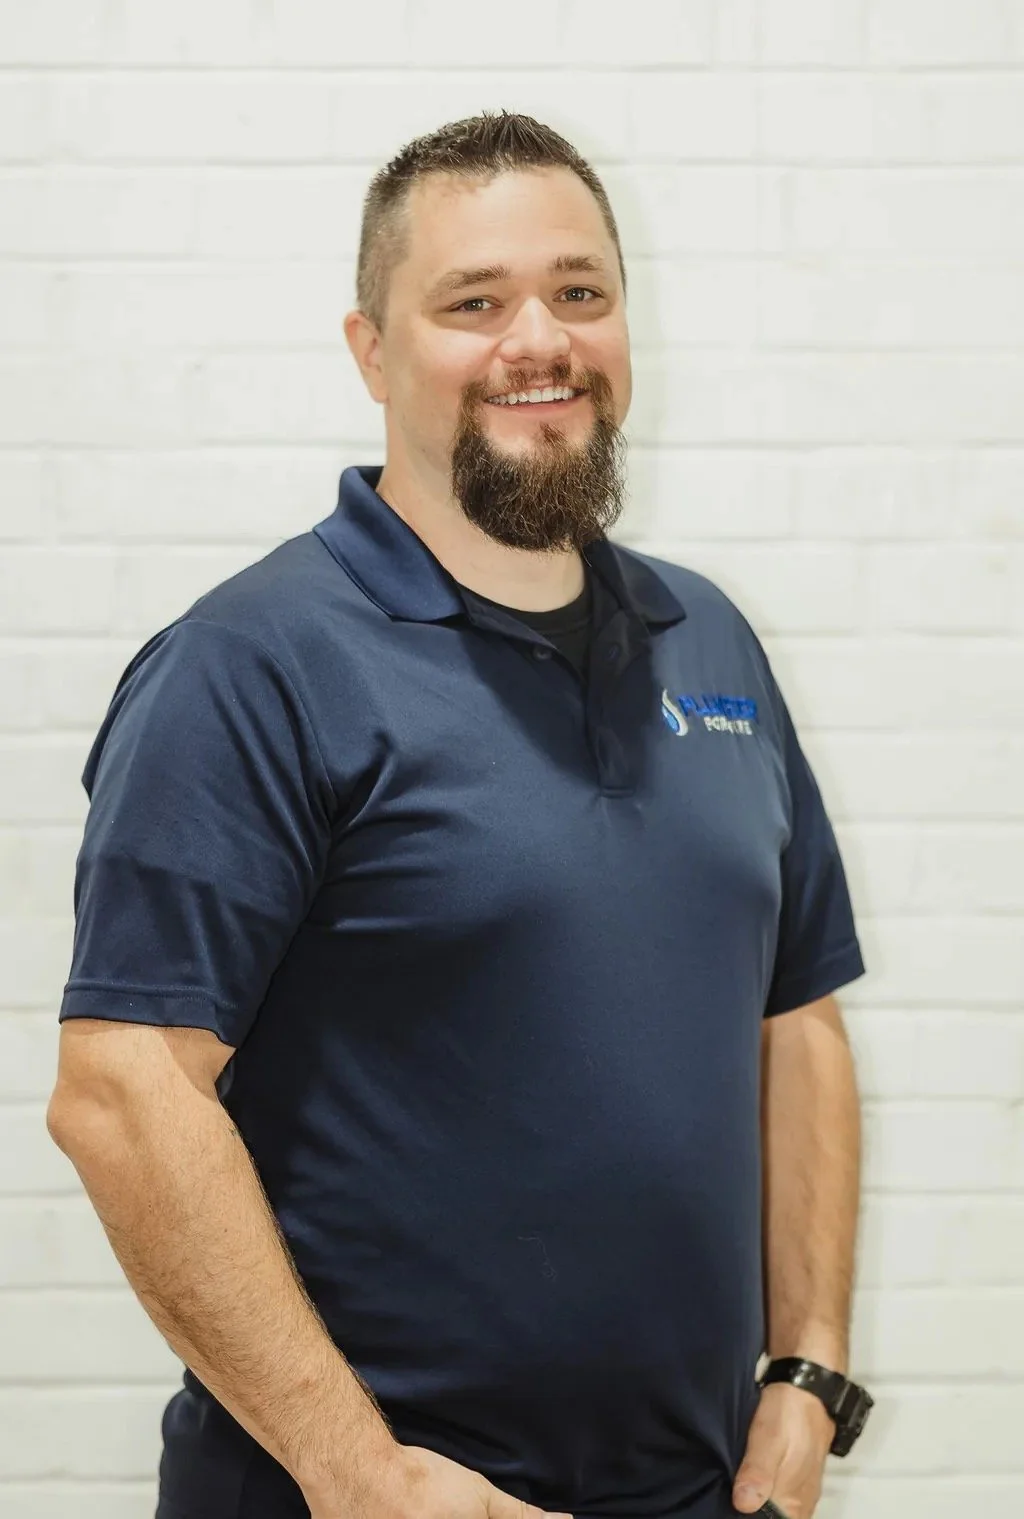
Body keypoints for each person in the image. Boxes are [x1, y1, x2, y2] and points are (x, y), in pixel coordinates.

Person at [46, 111, 871, 1519]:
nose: (537, 341)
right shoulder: (254, 664)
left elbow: (794, 1021)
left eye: (580, 292)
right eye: (473, 303)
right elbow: (124, 1092)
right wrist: (358, 1474)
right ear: (373, 350)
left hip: (691, 1489)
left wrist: (808, 1375)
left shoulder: (713, 644)